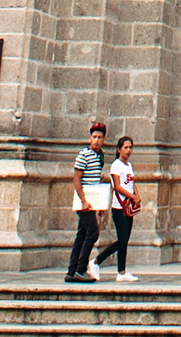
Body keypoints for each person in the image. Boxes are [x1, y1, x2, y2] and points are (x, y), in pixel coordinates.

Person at [64, 120, 110, 283]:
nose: (96, 140)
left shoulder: (99, 156)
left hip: (93, 201)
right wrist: (83, 200)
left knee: (81, 235)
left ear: (103, 140)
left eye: (99, 137)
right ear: (90, 138)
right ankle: (81, 269)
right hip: (84, 202)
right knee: (93, 233)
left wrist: (100, 204)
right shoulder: (84, 154)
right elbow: (77, 179)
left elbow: (96, 181)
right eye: (94, 137)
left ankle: (72, 272)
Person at [94, 134, 142, 282]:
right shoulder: (116, 165)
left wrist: (136, 195)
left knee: (124, 240)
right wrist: (132, 196)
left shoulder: (129, 166)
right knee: (122, 240)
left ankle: (121, 272)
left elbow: (131, 183)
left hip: (128, 207)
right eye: (125, 147)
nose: (128, 150)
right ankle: (96, 261)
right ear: (119, 149)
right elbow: (117, 186)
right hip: (119, 207)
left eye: (130, 147)